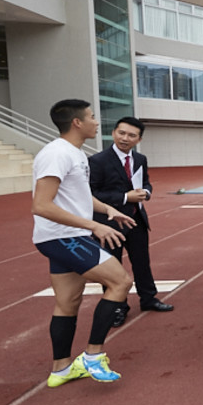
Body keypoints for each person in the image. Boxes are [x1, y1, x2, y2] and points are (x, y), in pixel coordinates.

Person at [31, 99, 134, 387]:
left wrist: (107, 209)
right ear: (77, 122)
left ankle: (61, 368)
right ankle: (92, 355)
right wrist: (94, 225)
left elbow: (77, 196)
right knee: (120, 282)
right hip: (63, 237)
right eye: (91, 116)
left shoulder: (74, 153)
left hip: (63, 237)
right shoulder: (56, 154)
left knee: (67, 303)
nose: (96, 121)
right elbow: (41, 205)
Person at [89, 116, 174, 327]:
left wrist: (146, 191)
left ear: (139, 139)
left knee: (142, 262)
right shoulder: (97, 161)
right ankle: (117, 307)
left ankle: (149, 299)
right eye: (122, 133)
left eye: (131, 135)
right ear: (114, 133)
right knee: (112, 267)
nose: (125, 138)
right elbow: (92, 193)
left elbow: (145, 182)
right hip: (109, 223)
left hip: (136, 220)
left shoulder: (140, 159)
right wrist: (125, 197)